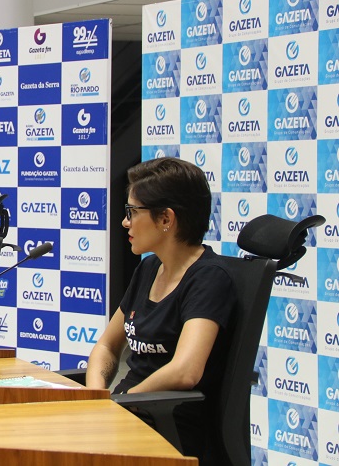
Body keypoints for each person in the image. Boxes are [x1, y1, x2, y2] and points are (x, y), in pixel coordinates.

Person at [85, 157, 236, 464]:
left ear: (166, 218)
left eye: (132, 212)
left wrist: (125, 401)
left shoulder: (209, 279)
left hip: (168, 429)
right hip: (124, 416)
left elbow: (185, 371)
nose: (125, 222)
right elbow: (107, 346)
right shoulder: (149, 268)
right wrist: (96, 396)